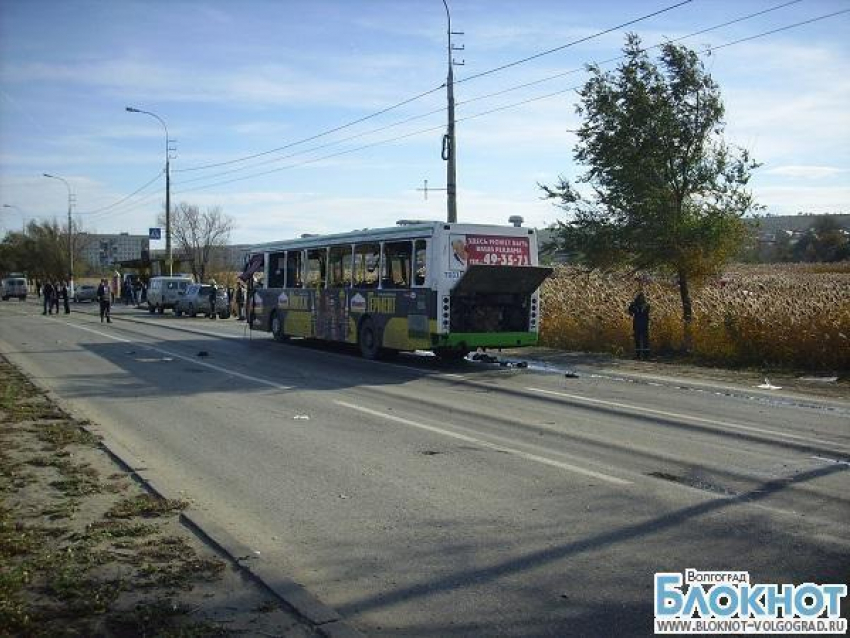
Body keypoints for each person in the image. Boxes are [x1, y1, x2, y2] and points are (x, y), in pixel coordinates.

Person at [628, 291, 651, 360]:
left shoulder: (646, 305)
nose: (641, 299)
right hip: (637, 324)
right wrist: (632, 307)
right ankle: (638, 355)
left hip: (643, 324)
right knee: (637, 340)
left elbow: (645, 311)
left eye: (642, 297)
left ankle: (646, 356)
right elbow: (630, 312)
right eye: (640, 297)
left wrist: (634, 308)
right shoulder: (634, 305)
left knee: (645, 340)